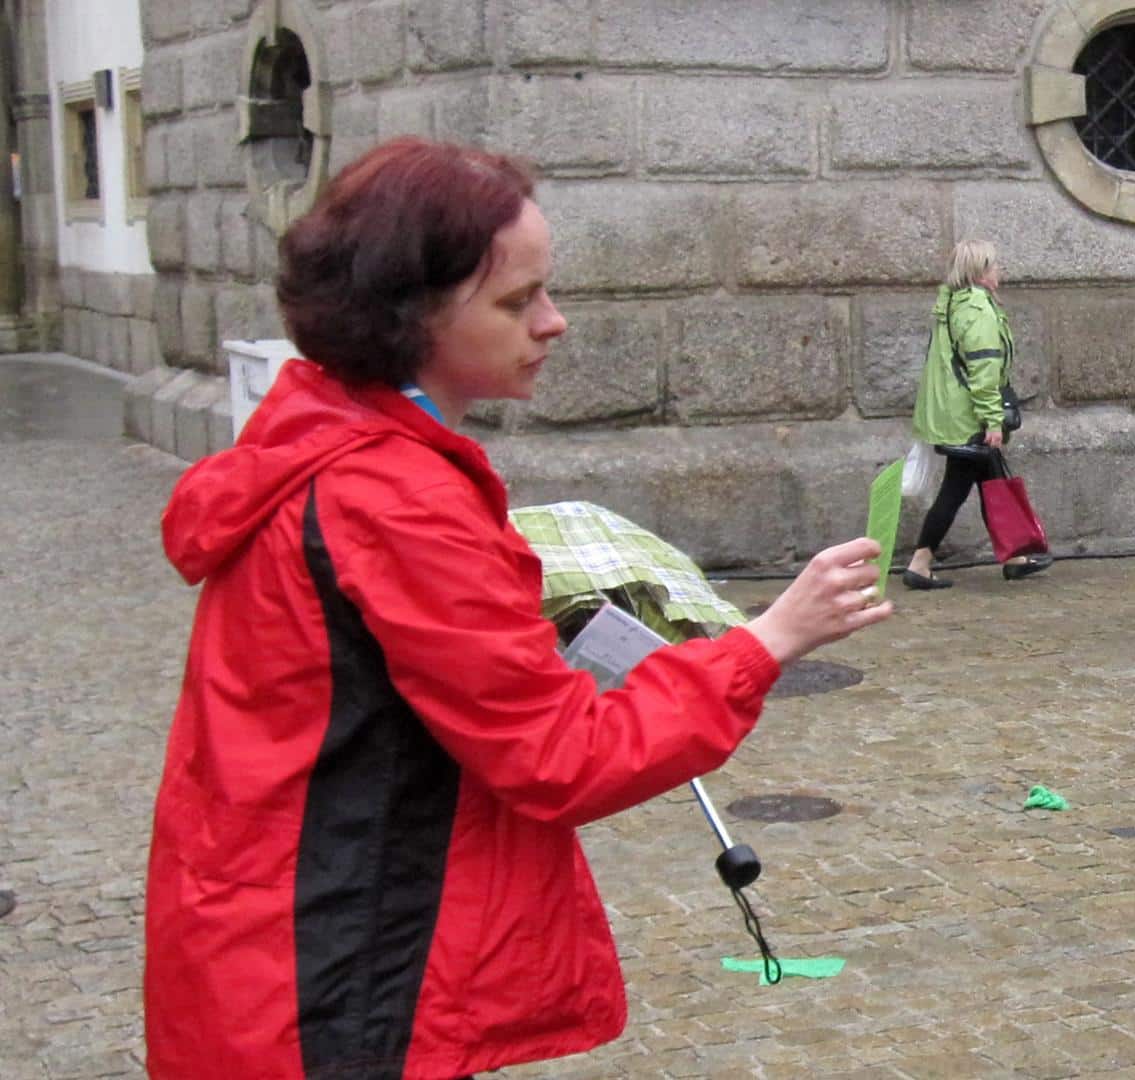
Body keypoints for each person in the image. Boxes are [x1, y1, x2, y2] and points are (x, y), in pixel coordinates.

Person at [143, 137, 893, 1079]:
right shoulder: (394, 498)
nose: (554, 322)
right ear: (407, 315)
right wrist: (767, 641)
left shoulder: (316, 435)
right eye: (515, 301)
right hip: (338, 969)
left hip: (267, 939)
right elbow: (560, 756)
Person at [902, 239, 1050, 589]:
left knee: (990, 482)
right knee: (957, 488)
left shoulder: (953, 303)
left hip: (956, 414)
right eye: (995, 265)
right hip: (970, 418)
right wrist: (992, 420)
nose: (1000, 271)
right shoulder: (978, 310)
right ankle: (920, 562)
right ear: (981, 272)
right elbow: (983, 370)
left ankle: (1013, 555)